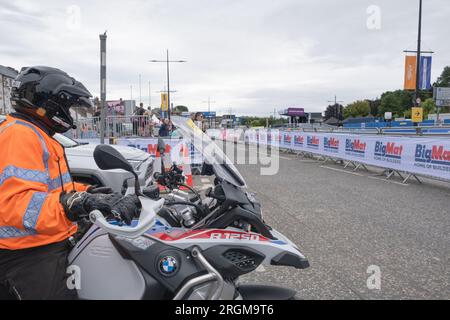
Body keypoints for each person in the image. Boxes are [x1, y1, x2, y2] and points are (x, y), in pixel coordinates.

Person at [0, 66, 140, 300]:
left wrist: (90, 193)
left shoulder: (38, 135)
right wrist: (74, 204)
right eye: (66, 107)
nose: (69, 113)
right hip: (26, 253)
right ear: (48, 104)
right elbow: (16, 206)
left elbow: (53, 189)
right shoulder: (20, 135)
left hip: (47, 240)